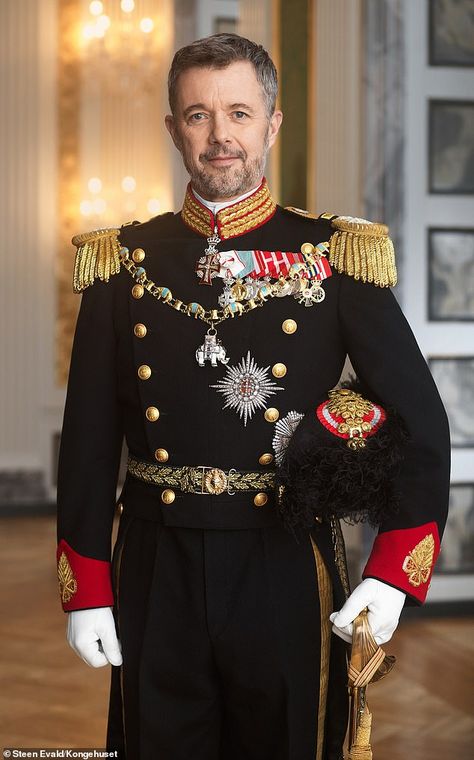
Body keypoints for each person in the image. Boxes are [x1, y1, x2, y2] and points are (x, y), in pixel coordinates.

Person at [57, 33, 450, 760]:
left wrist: (395, 571)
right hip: (155, 559)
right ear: (174, 129)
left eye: (238, 113)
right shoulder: (121, 262)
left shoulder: (334, 256)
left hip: (283, 561)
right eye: (198, 115)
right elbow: (86, 442)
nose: (219, 135)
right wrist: (85, 585)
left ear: (272, 123)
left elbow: (423, 425)